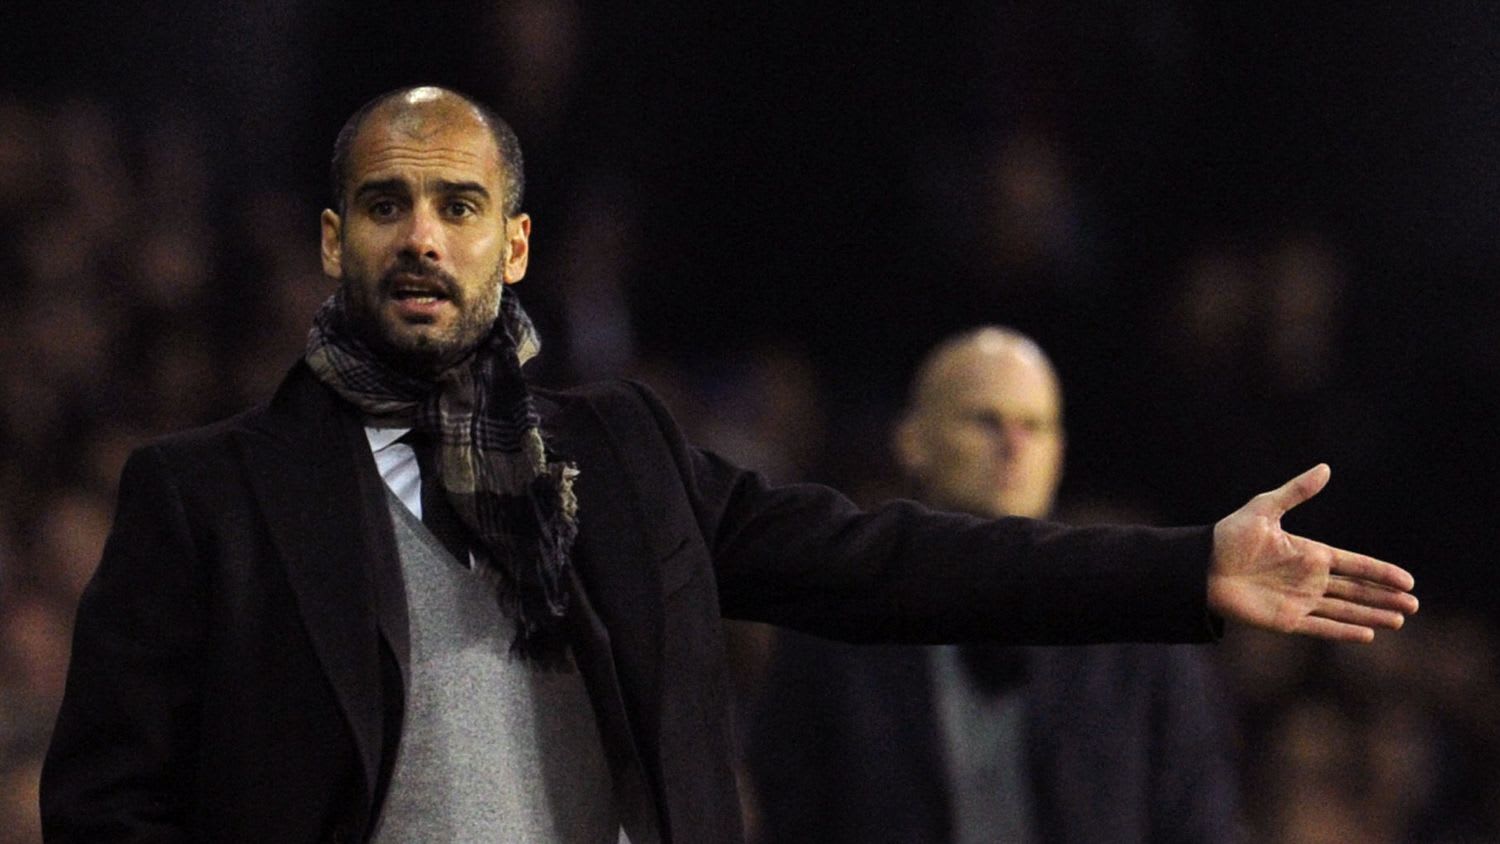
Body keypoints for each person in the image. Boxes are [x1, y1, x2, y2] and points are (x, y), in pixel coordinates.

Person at [39, 86, 1417, 844]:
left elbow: (892, 563)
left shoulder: (621, 452)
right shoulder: (205, 496)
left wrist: (1184, 569)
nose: (421, 237)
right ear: (333, 241)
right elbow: (104, 807)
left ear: (513, 246)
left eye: (459, 205)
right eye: (385, 204)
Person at [748, 327, 1242, 842]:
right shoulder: (832, 624)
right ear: (913, 441)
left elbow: (1198, 817)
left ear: (1059, 452)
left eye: (1034, 425)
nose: (1013, 446)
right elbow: (791, 814)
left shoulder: (1138, 628)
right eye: (985, 421)